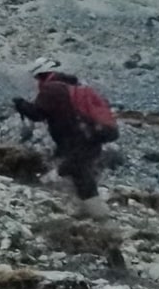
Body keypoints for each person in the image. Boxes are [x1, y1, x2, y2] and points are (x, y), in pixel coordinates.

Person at [13, 57, 116, 220]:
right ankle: (89, 212)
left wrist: (21, 104)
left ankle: (102, 218)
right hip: (90, 138)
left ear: (41, 74)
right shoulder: (72, 85)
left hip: (78, 141)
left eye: (37, 77)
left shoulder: (51, 89)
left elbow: (37, 114)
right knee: (79, 174)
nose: (36, 81)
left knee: (73, 172)